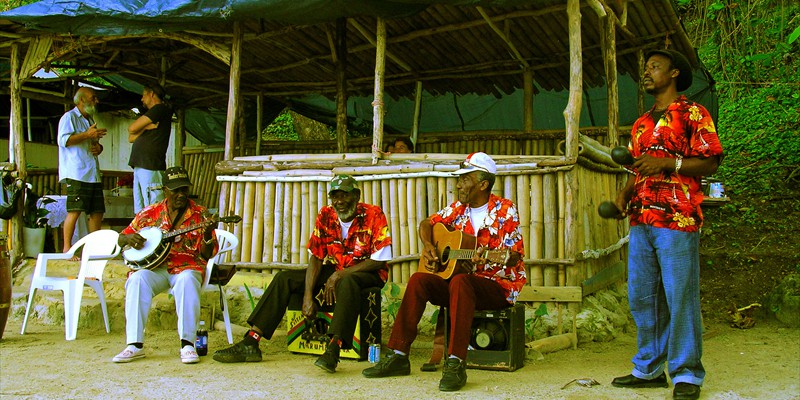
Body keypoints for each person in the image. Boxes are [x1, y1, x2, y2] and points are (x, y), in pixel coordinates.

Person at [610, 49, 723, 400]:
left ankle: (687, 374)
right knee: (643, 297)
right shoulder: (641, 123)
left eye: (654, 67)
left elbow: (710, 162)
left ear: (674, 73)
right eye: (645, 68)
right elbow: (638, 166)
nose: (647, 72)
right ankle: (649, 369)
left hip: (677, 216)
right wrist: (624, 193)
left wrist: (668, 163)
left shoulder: (693, 113)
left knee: (680, 296)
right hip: (642, 217)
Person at [363, 152, 526, 392]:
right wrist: (429, 246)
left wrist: (490, 260)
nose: (458, 184)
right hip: (460, 285)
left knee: (461, 281)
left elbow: (513, 256)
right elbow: (426, 224)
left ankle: (456, 362)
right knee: (419, 279)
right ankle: (398, 354)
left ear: (483, 184)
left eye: (464, 179)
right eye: (458, 179)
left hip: (497, 286)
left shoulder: (505, 211)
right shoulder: (457, 209)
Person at [213, 174, 392, 373]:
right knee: (285, 278)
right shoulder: (326, 214)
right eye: (335, 196)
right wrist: (308, 296)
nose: (340, 202)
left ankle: (334, 348)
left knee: (347, 279)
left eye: (345, 195)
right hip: (337, 269)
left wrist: (339, 275)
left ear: (357, 196)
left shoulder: (373, 214)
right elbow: (316, 257)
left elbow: (379, 260)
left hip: (368, 272)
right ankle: (251, 341)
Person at [112, 166, 218, 365]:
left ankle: (187, 344)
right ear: (165, 190)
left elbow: (206, 255)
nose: (180, 195)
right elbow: (121, 237)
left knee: (187, 279)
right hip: (156, 269)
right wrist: (128, 238)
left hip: (187, 266)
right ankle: (134, 345)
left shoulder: (200, 214)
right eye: (175, 190)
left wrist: (206, 234)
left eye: (184, 190)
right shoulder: (149, 213)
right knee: (137, 279)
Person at [57, 87, 107, 253]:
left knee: (97, 211)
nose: (96, 101)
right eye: (93, 98)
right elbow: (63, 140)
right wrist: (87, 135)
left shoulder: (89, 119)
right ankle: (66, 248)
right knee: (75, 211)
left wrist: (98, 148)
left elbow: (93, 145)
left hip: (92, 173)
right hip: (77, 172)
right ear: (81, 100)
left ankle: (94, 249)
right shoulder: (69, 117)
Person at [127, 83, 173, 213]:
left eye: (143, 95)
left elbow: (131, 128)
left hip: (150, 164)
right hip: (142, 165)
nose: (142, 99)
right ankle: (142, 232)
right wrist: (145, 128)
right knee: (141, 209)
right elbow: (131, 138)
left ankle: (155, 232)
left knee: (153, 208)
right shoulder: (150, 119)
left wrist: (141, 128)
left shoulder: (159, 109)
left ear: (152, 94)